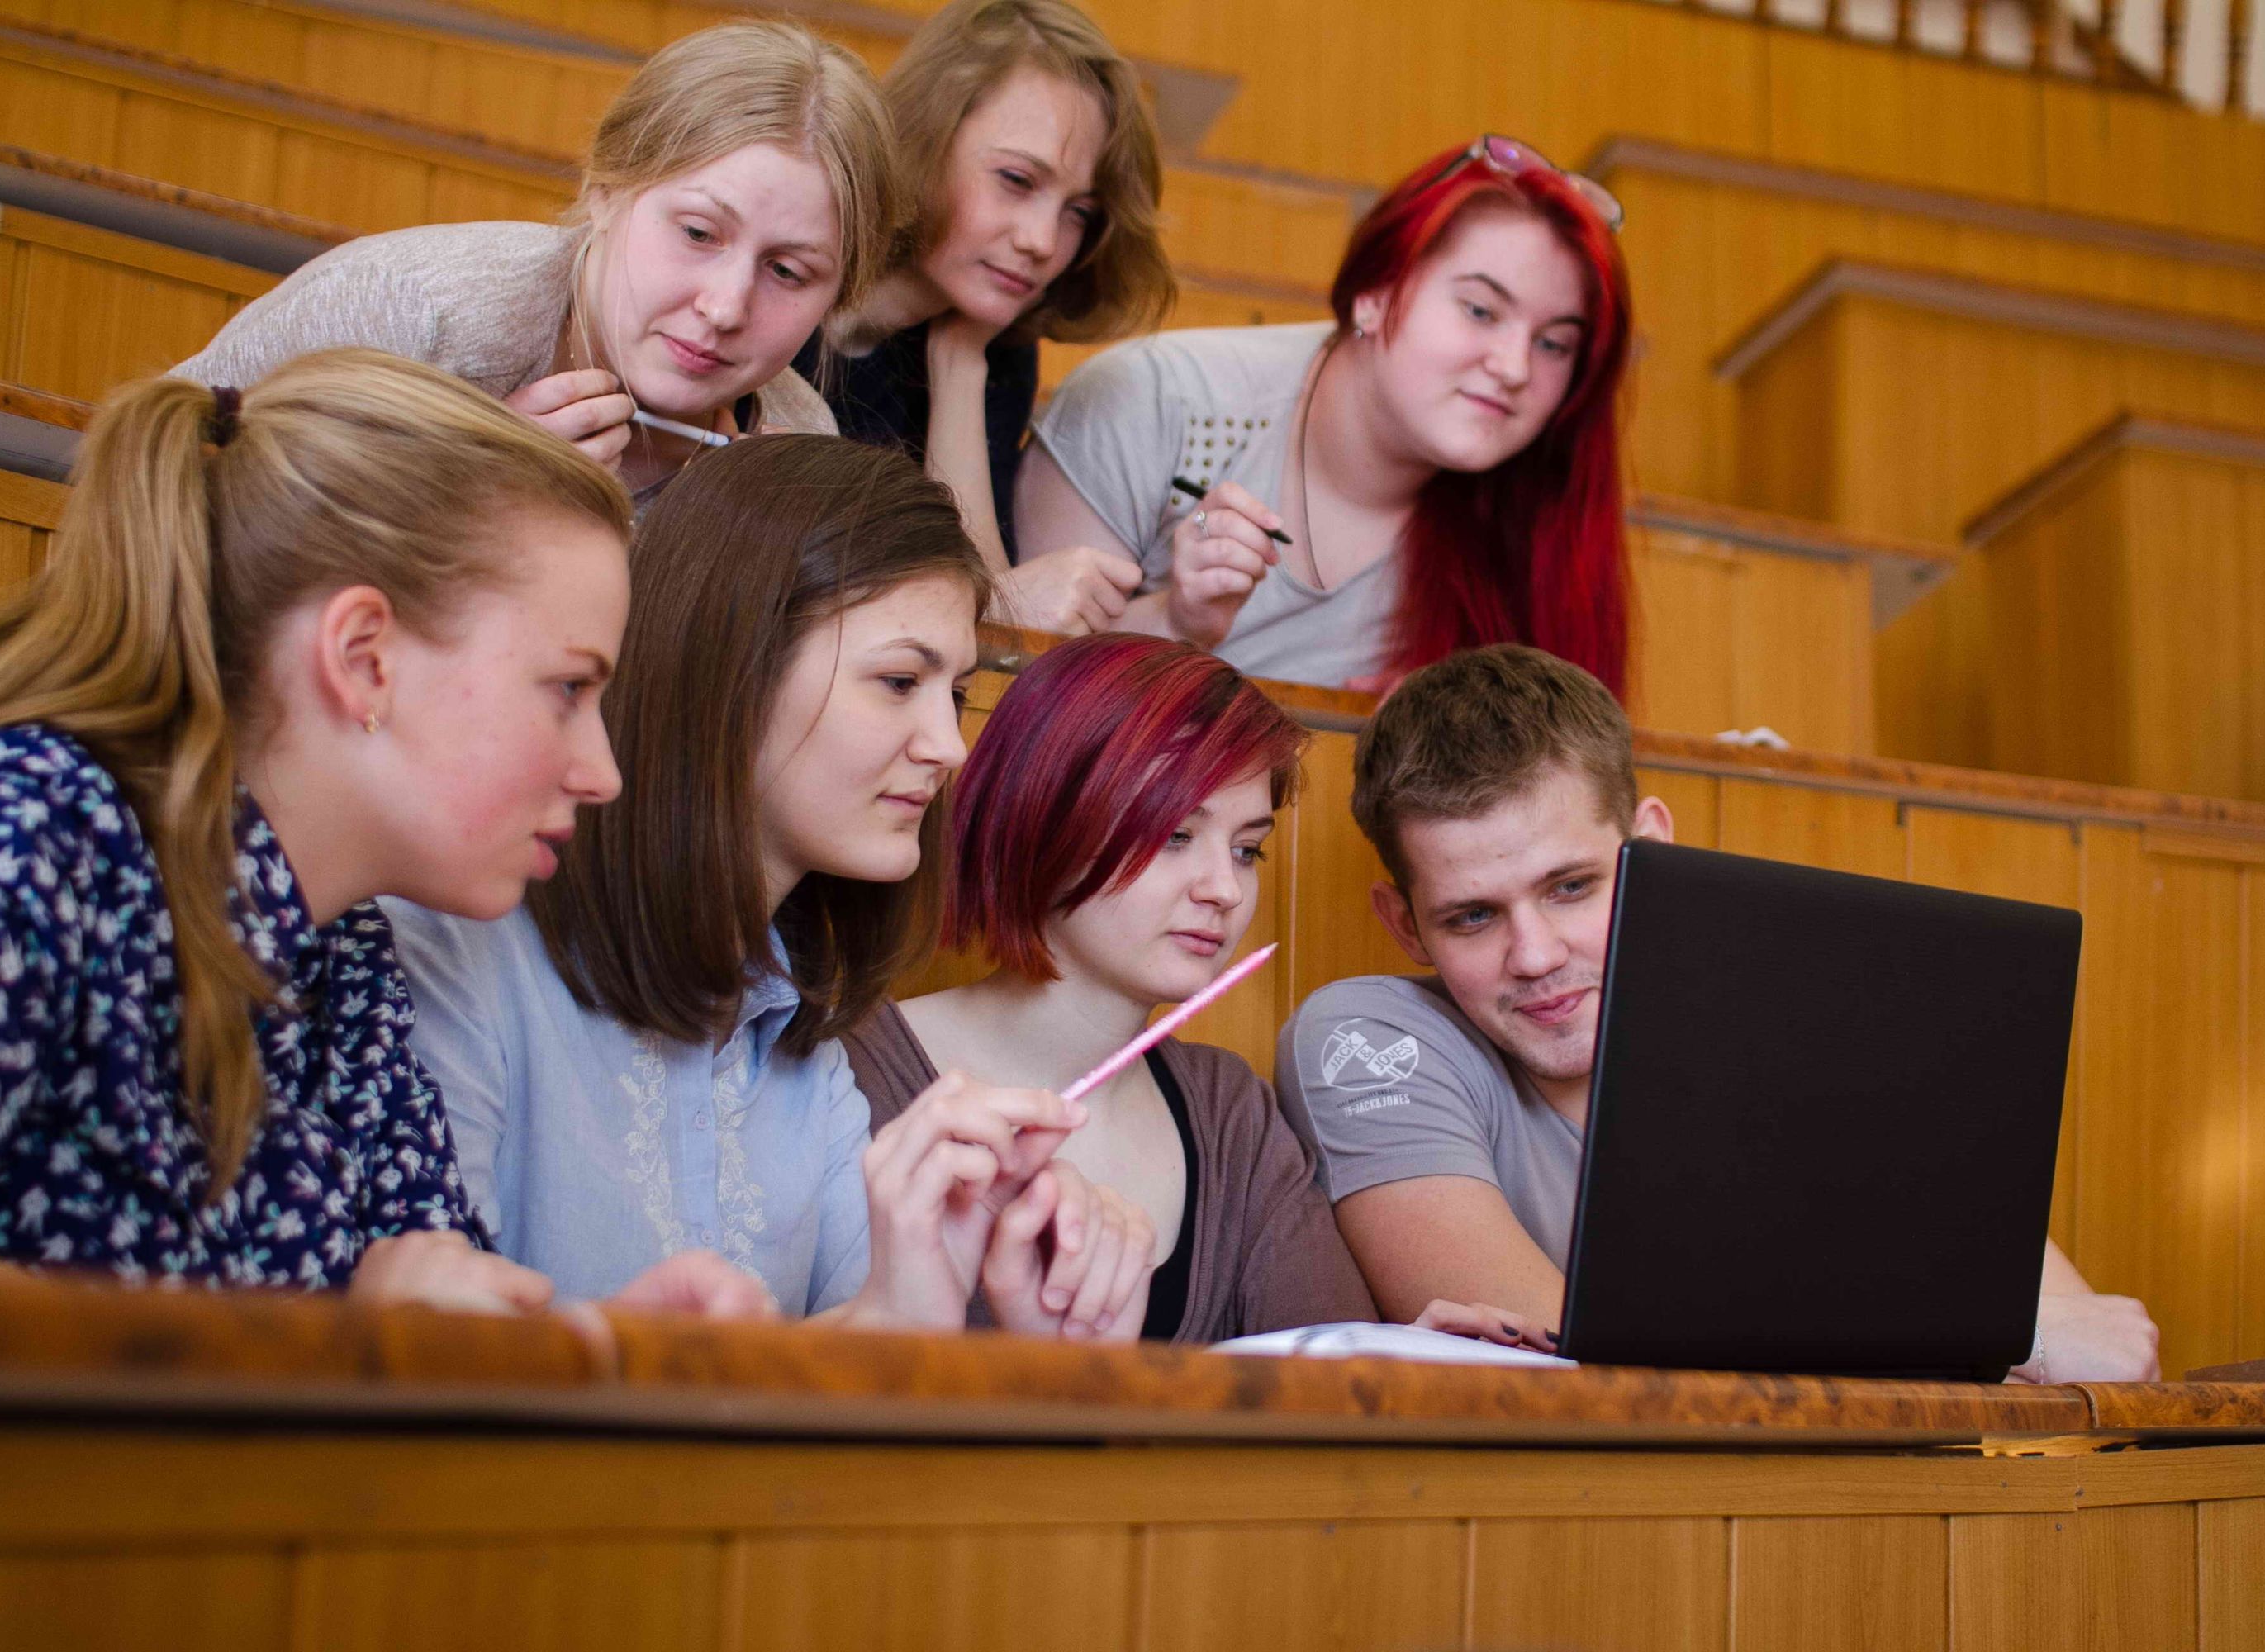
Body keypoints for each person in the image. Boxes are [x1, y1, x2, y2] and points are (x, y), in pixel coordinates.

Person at [389, 435, 1156, 1337]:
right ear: (731, 668)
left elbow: (836, 1378)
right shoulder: (458, 948)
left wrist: (995, 1317)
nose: (948, 746)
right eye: (900, 680)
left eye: (955, 694)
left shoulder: (798, 1029)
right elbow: (417, 1377)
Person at [0, 348, 636, 1312]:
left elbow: (434, 1310)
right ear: (364, 659)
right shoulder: (13, 832)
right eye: (568, 688)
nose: (601, 773)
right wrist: (347, 1342)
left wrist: (602, 1352)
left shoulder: (345, 952)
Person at [1275, 644, 2165, 1381]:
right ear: (1406, 925)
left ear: (1653, 848)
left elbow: (2103, 1351)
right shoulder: (1370, 1036)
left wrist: (2026, 1332)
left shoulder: (1812, 1026)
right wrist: (2010, 1341)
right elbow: (1555, 1369)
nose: (1535, 954)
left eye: (1572, 886)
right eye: (1472, 914)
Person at [848, 632, 1541, 1346]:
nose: (1223, 890)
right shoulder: (847, 1069)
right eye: (1175, 834)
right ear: (1040, 815)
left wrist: (1407, 1356)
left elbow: (1317, 1379)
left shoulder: (1227, 1110)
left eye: (1247, 850)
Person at [177, 21, 896, 506]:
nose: (726, 306)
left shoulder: (799, 450)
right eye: (700, 232)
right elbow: (151, 494)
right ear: (605, 192)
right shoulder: (412, 311)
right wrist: (466, 492)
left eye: (788, 273)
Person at [1015, 136, 1633, 694]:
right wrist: (1179, 620)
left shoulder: (1532, 515)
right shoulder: (1156, 400)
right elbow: (1018, 688)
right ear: (1373, 292)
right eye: (1480, 310)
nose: (1516, 366)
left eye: (1554, 343)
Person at [795, 0, 1172, 624]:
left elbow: (980, 612)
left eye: (1077, 211)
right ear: (925, 139)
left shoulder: (998, 348)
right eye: (1018, 181)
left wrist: (961, 363)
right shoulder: (786, 278)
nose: (1043, 242)